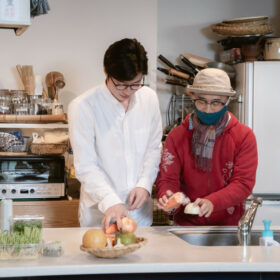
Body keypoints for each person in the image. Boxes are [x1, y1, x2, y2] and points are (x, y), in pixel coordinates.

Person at [68, 38, 162, 230]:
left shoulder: (149, 99)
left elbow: (154, 148)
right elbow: (85, 165)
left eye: (135, 84)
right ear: (106, 72)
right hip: (99, 216)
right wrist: (110, 200)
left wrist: (145, 184)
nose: (128, 91)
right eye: (120, 85)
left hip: (139, 214)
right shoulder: (83, 107)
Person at [156, 68, 258, 226]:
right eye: (202, 101)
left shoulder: (244, 136)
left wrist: (213, 202)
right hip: (186, 226)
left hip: (228, 227)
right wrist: (168, 199)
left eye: (216, 102)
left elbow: (243, 183)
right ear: (193, 96)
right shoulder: (177, 136)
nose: (208, 109)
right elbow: (168, 179)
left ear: (228, 100)